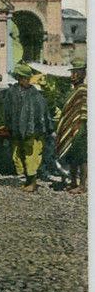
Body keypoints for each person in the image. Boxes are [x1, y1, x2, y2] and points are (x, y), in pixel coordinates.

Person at [3, 63, 53, 192]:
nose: (26, 81)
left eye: (28, 78)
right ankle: (27, 180)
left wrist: (41, 129)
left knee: (32, 156)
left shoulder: (35, 94)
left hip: (33, 131)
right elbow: (6, 111)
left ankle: (33, 183)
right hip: (16, 130)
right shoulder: (11, 92)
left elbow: (43, 112)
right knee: (18, 155)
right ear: (18, 78)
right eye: (24, 78)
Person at [56, 58, 87, 194]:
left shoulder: (84, 90)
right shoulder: (73, 91)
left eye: (77, 72)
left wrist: (80, 127)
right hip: (72, 128)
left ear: (83, 74)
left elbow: (84, 112)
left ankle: (82, 185)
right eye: (72, 73)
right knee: (72, 155)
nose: (73, 75)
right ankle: (73, 182)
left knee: (81, 157)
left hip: (82, 128)